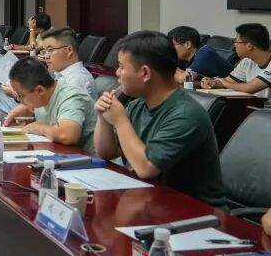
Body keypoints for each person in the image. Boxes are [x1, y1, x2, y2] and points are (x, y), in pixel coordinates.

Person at [93, 31, 225, 207]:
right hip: (150, 200)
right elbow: (106, 153)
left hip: (194, 211)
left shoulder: (186, 114)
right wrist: (103, 118)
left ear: (145, 73)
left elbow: (146, 167)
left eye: (122, 67)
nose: (117, 73)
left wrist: (120, 120)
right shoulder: (138, 105)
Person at [2, 58, 96, 152]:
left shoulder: (70, 97)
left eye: (20, 95)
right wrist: (28, 112)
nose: (20, 100)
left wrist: (39, 128)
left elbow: (68, 135)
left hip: (89, 157)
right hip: (61, 153)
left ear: (39, 90)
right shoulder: (42, 97)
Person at [201, 23, 271, 99]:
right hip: (254, 104)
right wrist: (212, 83)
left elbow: (248, 88)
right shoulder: (247, 61)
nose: (234, 45)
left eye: (236, 42)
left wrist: (224, 83)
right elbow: (228, 81)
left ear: (249, 46)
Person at [39, 27, 96, 98]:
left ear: (69, 50)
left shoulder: (76, 81)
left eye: (50, 50)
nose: (46, 56)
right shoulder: (61, 74)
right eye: (45, 51)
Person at [167, 26, 233, 84]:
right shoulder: (182, 58)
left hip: (232, 90)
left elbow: (185, 79)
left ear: (187, 44)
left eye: (172, 45)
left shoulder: (205, 53)